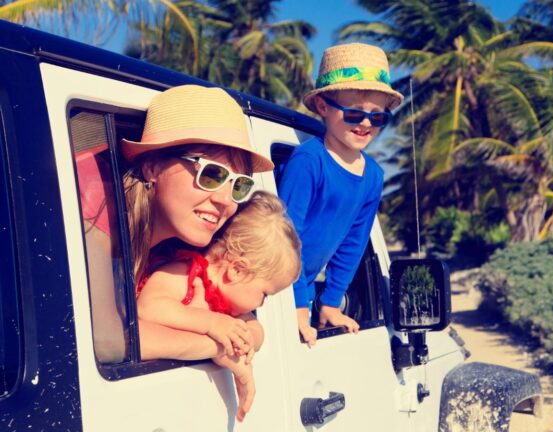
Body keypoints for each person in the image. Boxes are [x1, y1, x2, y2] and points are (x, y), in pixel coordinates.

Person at [78, 84, 274, 419]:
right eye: (212, 174)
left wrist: (236, 334)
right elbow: (108, 342)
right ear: (151, 168)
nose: (227, 200)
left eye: (239, 184)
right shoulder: (92, 197)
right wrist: (215, 343)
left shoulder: (193, 233)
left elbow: (250, 322)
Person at [278, 43, 403, 345]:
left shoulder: (373, 175)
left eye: (377, 117)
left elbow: (354, 242)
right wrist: (294, 305)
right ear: (323, 106)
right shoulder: (309, 161)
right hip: (275, 290)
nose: (365, 124)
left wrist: (331, 303)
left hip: (305, 292)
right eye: (354, 113)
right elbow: (283, 236)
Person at [136, 191, 300, 422]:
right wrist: (211, 323)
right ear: (237, 270)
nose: (261, 303)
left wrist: (242, 344)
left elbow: (257, 332)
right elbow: (149, 307)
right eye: (265, 294)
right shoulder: (185, 273)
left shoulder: (229, 306)